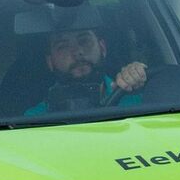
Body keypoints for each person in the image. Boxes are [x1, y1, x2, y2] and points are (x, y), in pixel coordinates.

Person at [19, 27, 148, 114]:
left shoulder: (138, 99)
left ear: (102, 48)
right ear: (50, 62)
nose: (77, 52)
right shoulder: (35, 118)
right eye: (63, 46)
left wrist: (141, 76)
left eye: (84, 41)